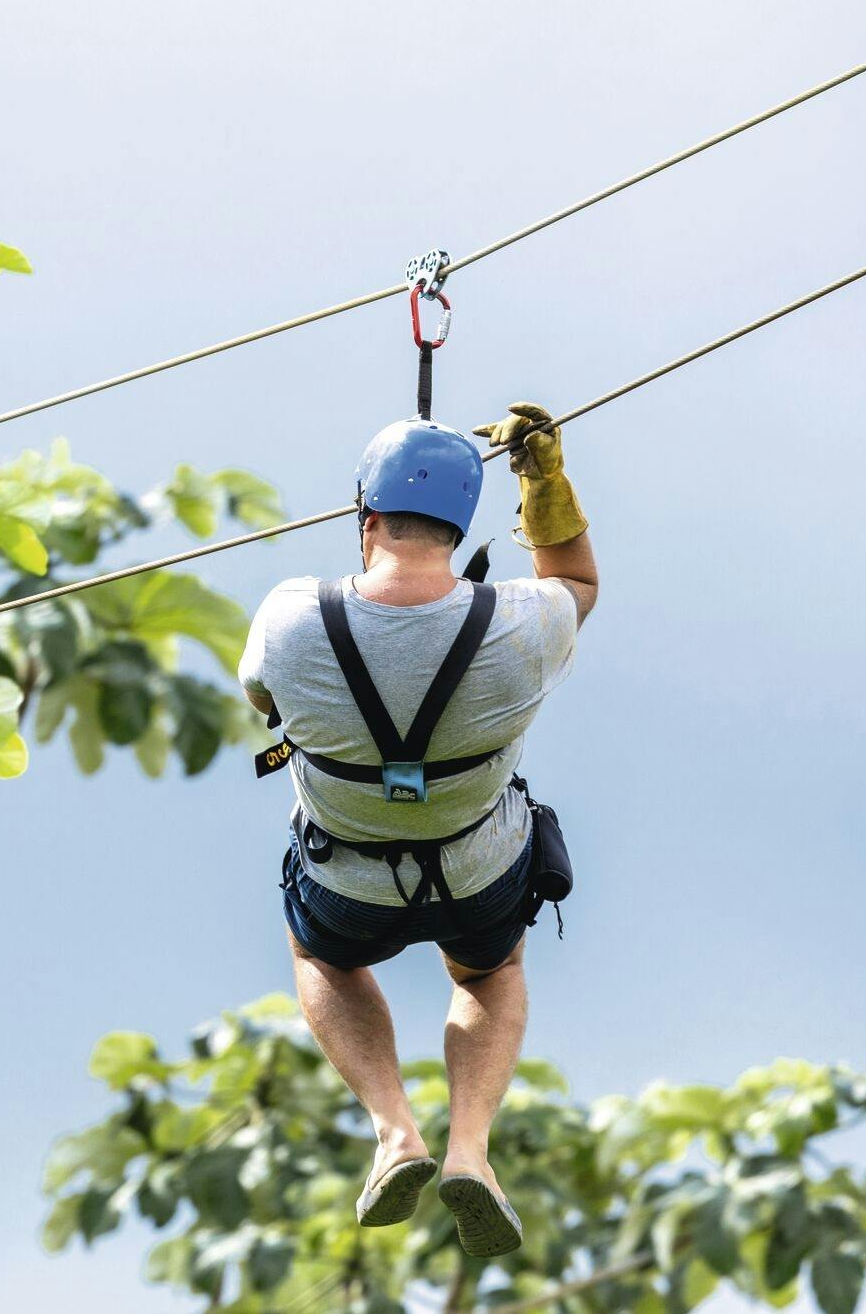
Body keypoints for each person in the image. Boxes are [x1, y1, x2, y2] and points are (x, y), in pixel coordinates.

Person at [235, 403, 597, 1257]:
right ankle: (471, 1147)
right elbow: (577, 584)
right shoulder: (521, 622)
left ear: (367, 520)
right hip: (478, 875)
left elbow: (261, 699)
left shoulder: (290, 616)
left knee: (321, 958)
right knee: (491, 971)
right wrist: (542, 482)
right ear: (458, 525)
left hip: (345, 881)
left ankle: (395, 1131)